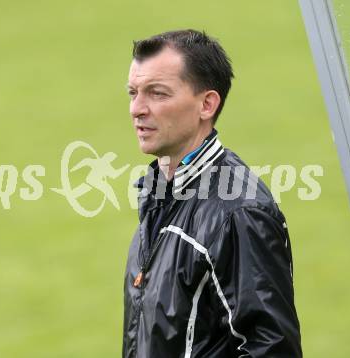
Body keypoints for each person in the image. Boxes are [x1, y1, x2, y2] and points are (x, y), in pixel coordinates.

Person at [123, 29, 302, 358]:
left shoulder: (238, 213)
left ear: (207, 104)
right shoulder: (160, 193)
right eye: (133, 92)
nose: (137, 108)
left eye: (157, 93)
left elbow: (272, 350)